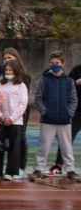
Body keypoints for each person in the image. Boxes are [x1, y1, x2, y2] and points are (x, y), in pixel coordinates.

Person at [33, 51, 77, 181]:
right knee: (44, 145)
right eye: (51, 63)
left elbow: (73, 99)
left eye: (57, 63)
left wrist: (69, 113)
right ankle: (38, 169)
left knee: (67, 147)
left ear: (63, 64)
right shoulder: (44, 80)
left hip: (64, 120)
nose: (54, 65)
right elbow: (38, 98)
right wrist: (44, 112)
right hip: (48, 120)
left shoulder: (69, 81)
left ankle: (70, 170)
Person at [0, 59, 28, 181]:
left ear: (16, 71)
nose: (8, 72)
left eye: (10, 70)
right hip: (1, 121)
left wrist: (12, 118)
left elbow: (23, 104)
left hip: (15, 122)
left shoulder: (21, 86)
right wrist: (1, 116)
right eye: (6, 70)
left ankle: (12, 171)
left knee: (14, 147)